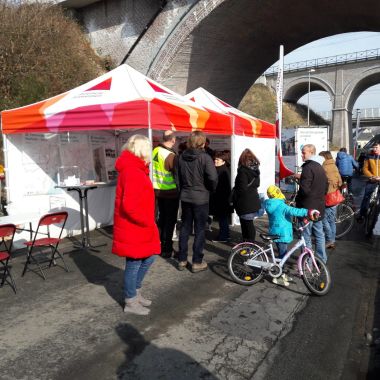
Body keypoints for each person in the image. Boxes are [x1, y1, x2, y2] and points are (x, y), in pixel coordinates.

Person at [112, 134, 160, 316]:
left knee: (149, 257)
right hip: (135, 226)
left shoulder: (135, 169)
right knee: (134, 262)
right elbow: (129, 206)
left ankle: (135, 293)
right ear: (143, 150)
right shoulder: (132, 171)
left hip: (139, 225)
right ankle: (130, 300)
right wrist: (148, 221)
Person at [177, 131, 218, 273]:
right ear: (202, 142)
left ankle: (182, 259)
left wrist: (182, 191)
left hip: (186, 196)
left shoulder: (181, 157)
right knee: (200, 229)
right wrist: (210, 189)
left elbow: (178, 178)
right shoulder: (205, 158)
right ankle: (196, 261)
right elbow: (213, 178)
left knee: (185, 228)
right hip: (200, 197)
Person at [264, 185, 318, 286]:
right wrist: (308, 211)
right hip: (282, 233)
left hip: (275, 231)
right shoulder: (281, 205)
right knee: (282, 256)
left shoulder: (269, 204)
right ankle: (277, 277)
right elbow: (294, 211)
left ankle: (282, 274)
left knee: (282, 255)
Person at [295, 144, 328, 263]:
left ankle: (307, 263)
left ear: (311, 153)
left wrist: (300, 180)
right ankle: (321, 260)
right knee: (319, 235)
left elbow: (305, 189)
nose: (302, 155)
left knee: (306, 236)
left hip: (307, 208)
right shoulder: (320, 167)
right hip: (319, 206)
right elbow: (326, 187)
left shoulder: (308, 167)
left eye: (304, 152)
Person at [152, 130, 179, 258]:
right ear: (173, 140)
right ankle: (167, 249)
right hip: (170, 192)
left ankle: (158, 245)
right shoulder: (170, 155)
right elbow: (177, 175)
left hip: (156, 191)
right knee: (170, 221)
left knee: (161, 219)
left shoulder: (155, 151)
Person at [233, 149, 261, 242]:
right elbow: (257, 184)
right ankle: (249, 244)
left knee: (246, 225)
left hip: (244, 202)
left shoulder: (243, 171)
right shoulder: (256, 169)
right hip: (253, 199)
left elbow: (242, 188)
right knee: (248, 224)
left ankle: (249, 245)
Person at [319, 151, 342, 250]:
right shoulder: (334, 165)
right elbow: (340, 181)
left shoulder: (324, 167)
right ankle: (332, 240)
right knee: (331, 221)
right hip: (335, 197)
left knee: (324, 220)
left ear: (324, 157)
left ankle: (329, 240)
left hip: (328, 198)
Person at [209, 151, 232, 243]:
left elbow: (222, 187)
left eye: (218, 159)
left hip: (222, 199)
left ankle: (223, 236)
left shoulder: (223, 171)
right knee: (223, 218)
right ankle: (225, 235)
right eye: (215, 159)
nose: (215, 161)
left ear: (223, 161)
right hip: (221, 199)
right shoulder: (221, 170)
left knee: (223, 218)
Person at [358, 141, 380, 222]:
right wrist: (371, 176)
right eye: (373, 147)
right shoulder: (369, 156)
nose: (374, 149)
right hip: (372, 179)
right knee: (366, 197)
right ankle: (362, 215)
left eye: (376, 147)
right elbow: (365, 168)